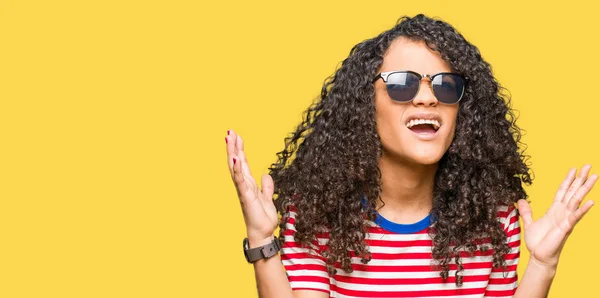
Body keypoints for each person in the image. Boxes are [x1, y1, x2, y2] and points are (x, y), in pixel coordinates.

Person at [224, 14, 597, 298]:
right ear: (364, 104)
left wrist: (543, 266)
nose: (426, 97)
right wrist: (261, 238)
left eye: (445, 86)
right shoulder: (318, 215)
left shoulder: (493, 221)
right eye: (402, 83)